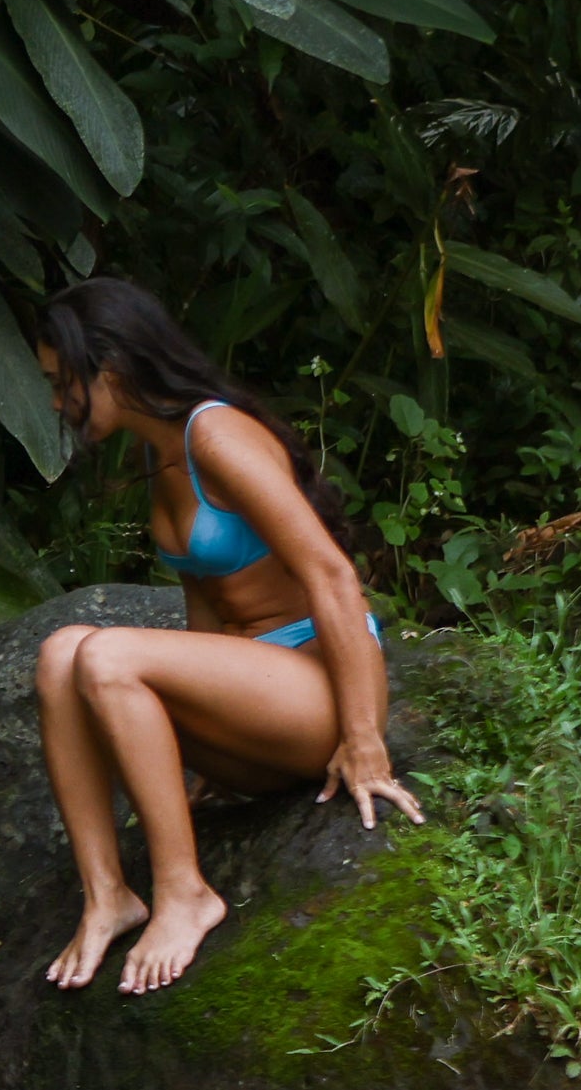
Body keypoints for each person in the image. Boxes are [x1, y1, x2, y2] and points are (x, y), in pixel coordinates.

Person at [29, 275, 426, 996]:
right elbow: (205, 607)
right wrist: (195, 732)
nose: (58, 403)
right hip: (255, 698)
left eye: (64, 382)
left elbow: (333, 577)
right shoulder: (159, 452)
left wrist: (365, 738)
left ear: (109, 368)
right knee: (61, 654)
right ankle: (108, 895)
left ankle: (185, 892)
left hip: (317, 691)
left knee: (107, 652)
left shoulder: (215, 432)